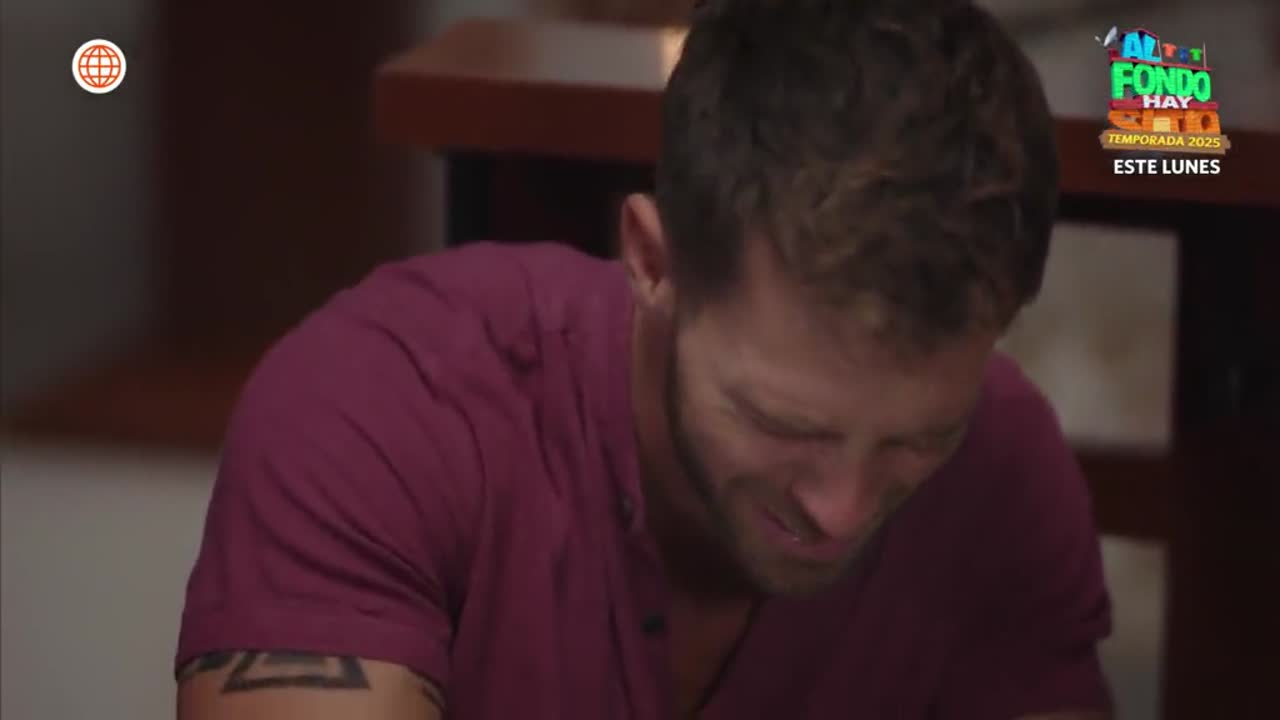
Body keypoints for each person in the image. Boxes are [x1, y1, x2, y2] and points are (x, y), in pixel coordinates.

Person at [174, 0, 1114, 717]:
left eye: (917, 441)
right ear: (653, 263)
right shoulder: (379, 407)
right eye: (783, 423)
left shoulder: (1006, 468)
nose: (843, 509)